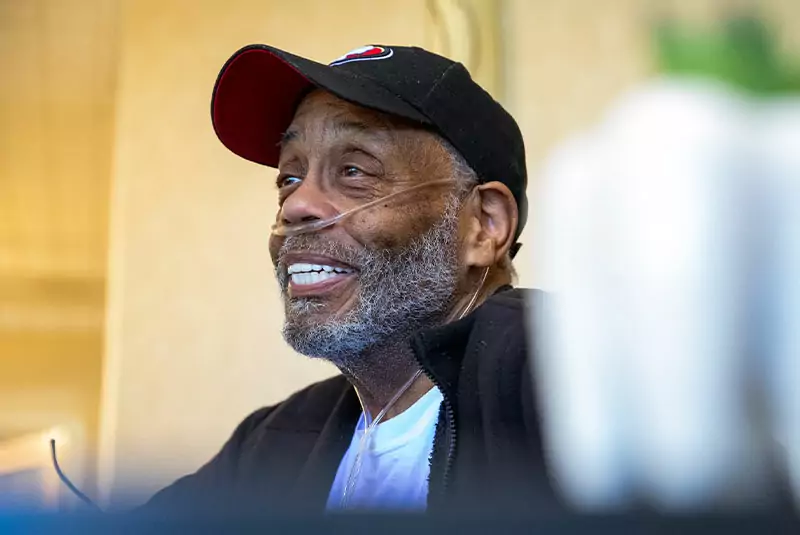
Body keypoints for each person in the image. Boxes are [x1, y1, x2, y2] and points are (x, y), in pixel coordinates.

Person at [141, 43, 555, 515]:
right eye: (289, 178)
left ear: (483, 225)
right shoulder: (273, 443)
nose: (295, 207)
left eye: (354, 170)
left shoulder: (567, 378)